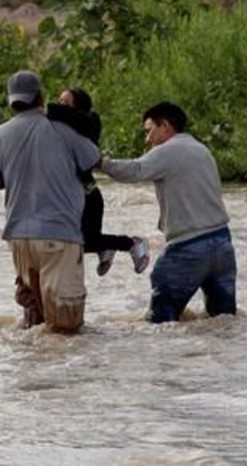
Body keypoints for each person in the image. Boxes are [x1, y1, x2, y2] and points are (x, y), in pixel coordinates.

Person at [0, 70, 101, 332]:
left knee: (34, 320)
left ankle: (35, 373)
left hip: (18, 239)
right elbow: (93, 159)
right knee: (65, 329)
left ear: (11, 101)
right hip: (59, 236)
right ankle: (66, 374)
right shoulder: (62, 130)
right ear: (40, 97)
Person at [100, 101, 237, 323]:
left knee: (160, 323)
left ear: (165, 126)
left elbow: (134, 171)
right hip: (222, 244)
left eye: (149, 131)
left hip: (188, 248)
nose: (147, 139)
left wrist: (98, 163)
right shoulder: (202, 149)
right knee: (222, 320)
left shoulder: (168, 151)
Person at [47, 87, 151, 276]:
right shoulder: (62, 128)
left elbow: (73, 117)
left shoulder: (88, 123)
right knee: (69, 243)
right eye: (59, 101)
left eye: (65, 103)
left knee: (80, 243)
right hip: (75, 197)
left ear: (79, 107)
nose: (59, 106)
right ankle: (105, 247)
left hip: (88, 197)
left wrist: (45, 109)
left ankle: (132, 243)